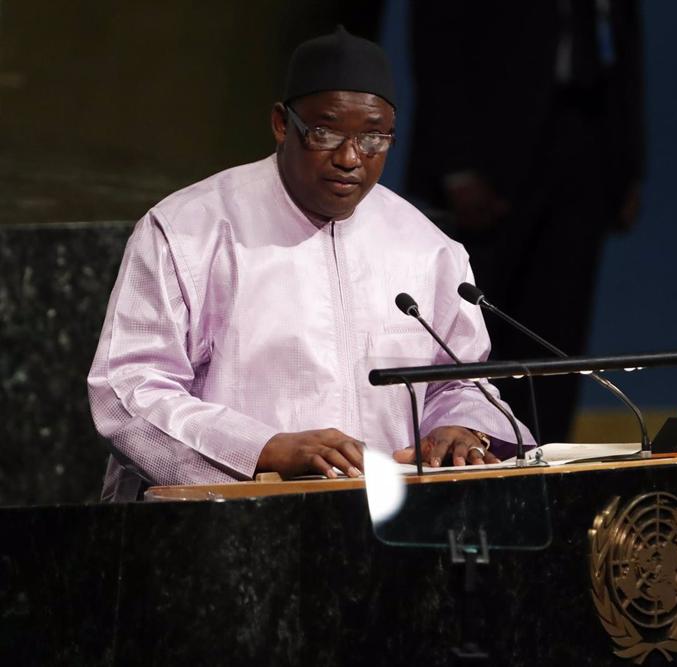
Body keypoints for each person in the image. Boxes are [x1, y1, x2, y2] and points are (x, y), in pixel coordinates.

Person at [88, 27, 531, 502]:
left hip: (383, 528)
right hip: (224, 525)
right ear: (282, 124)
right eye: (325, 132)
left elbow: (455, 383)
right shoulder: (189, 230)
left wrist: (463, 429)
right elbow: (128, 388)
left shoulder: (427, 247)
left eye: (374, 139)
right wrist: (265, 450)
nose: (349, 158)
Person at [407, 1, 645, 443]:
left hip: (586, 143)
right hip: (493, 148)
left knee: (560, 335)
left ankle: (548, 468)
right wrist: (456, 164)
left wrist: (630, 163)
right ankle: (480, 457)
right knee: (483, 325)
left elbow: (626, 38)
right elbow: (439, 35)